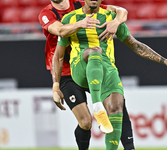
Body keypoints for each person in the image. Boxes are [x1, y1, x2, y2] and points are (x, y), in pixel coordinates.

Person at [52, 0, 167, 149]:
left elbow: (135, 45)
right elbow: (58, 56)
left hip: (106, 70)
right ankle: (98, 107)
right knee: (94, 51)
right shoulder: (70, 19)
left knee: (117, 108)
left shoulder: (111, 19)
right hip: (80, 69)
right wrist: (56, 85)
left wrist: (164, 61)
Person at [38, 0, 135, 150]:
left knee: (117, 105)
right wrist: (55, 85)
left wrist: (116, 22)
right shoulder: (47, 14)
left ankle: (130, 147)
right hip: (67, 72)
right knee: (85, 122)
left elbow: (120, 11)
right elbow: (61, 31)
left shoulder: (81, 4)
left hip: (92, 64)